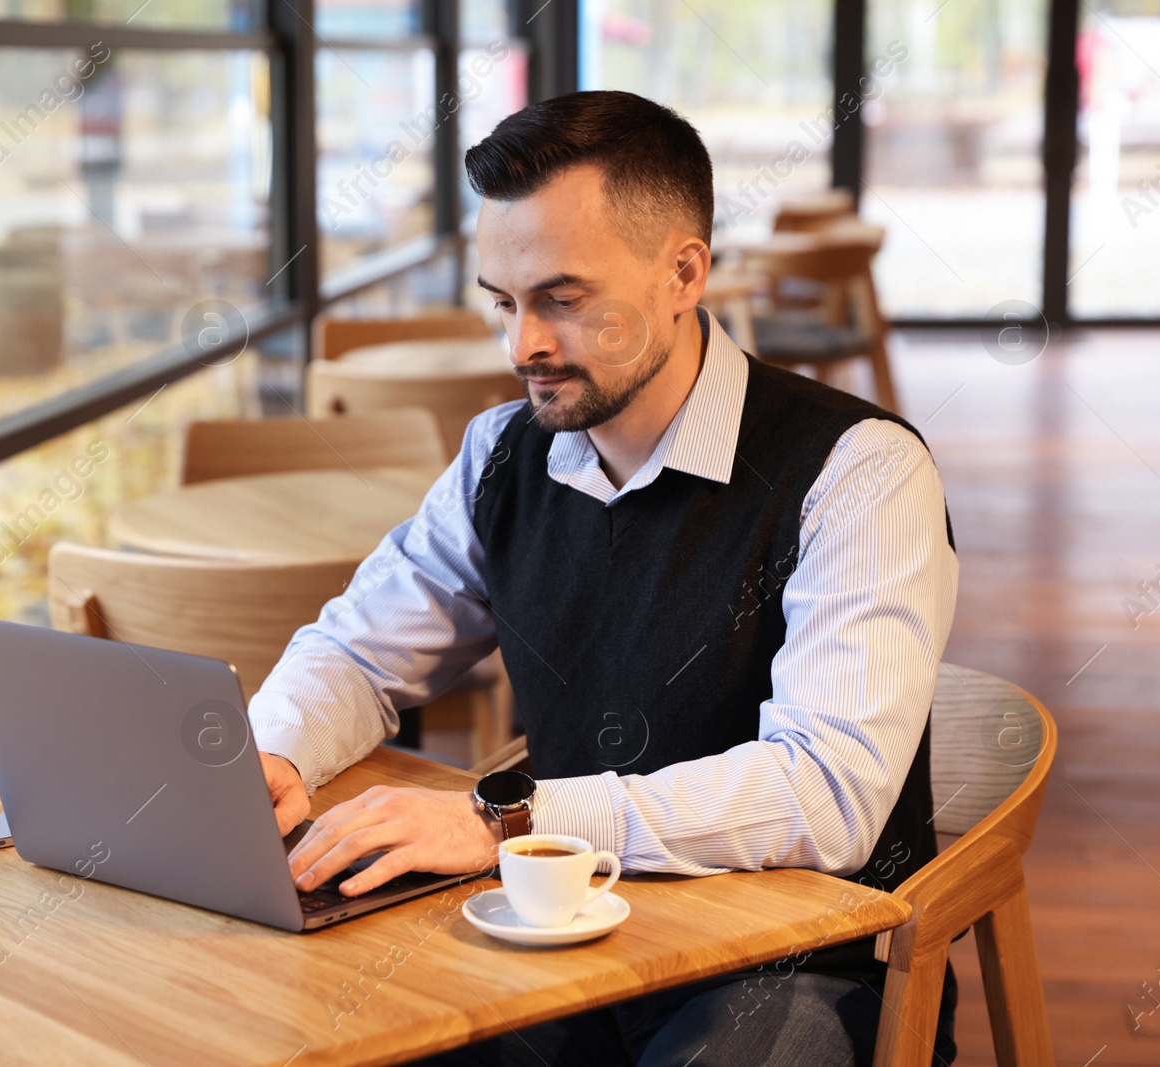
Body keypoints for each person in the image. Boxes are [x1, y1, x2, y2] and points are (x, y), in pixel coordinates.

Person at [248, 90, 959, 1066]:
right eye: (502, 301)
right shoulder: (502, 453)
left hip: (793, 962)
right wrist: (275, 754)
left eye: (561, 299)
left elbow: (824, 792)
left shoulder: (859, 470)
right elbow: (359, 648)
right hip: (551, 927)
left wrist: (503, 820)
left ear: (683, 272)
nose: (521, 344)